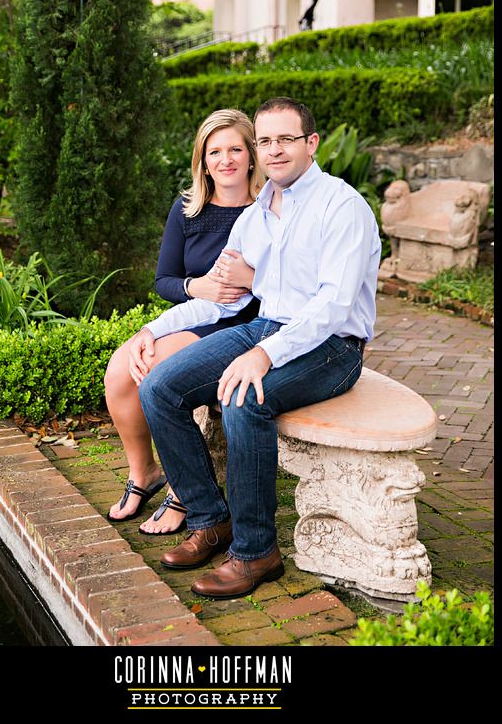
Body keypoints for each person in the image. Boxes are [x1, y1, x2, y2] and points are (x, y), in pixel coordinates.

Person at [128, 96, 382, 599]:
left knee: (244, 397)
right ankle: (209, 519)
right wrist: (153, 330)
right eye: (266, 141)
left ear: (311, 144)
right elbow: (223, 297)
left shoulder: (343, 207)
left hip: (333, 346)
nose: (274, 150)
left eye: (286, 139)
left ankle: (255, 551)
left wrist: (264, 354)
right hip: (267, 327)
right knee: (160, 387)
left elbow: (332, 307)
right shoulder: (256, 215)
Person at [104, 109, 263, 535]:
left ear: (251, 156)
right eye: (215, 151)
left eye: (235, 149)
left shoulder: (268, 210)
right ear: (203, 160)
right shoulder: (188, 208)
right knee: (119, 371)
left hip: (246, 327)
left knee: (157, 371)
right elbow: (164, 281)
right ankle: (144, 474)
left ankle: (183, 491)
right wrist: (198, 288)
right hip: (197, 313)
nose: (225, 159)